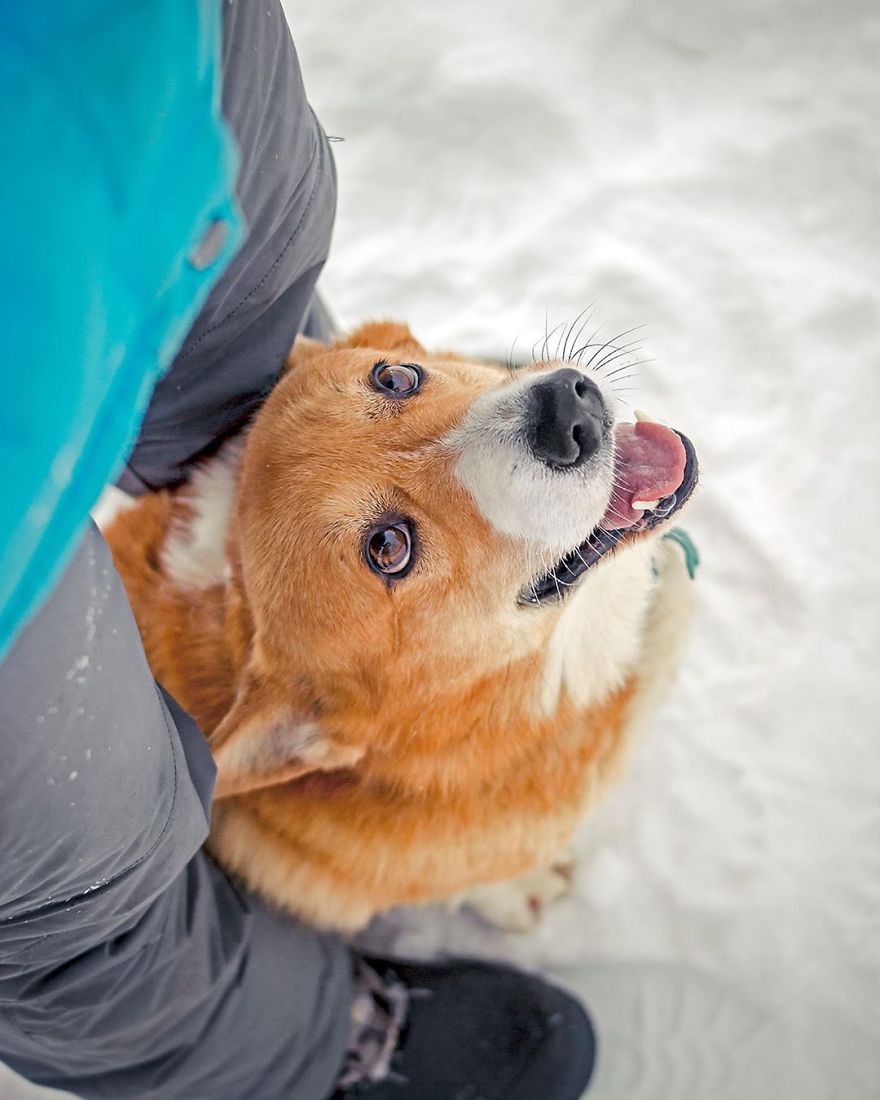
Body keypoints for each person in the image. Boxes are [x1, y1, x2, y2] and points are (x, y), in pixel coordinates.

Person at [0, 4, 596, 1098]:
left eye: (403, 375)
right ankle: (311, 1037)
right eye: (388, 541)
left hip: (142, 74)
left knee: (268, 367)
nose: (550, 399)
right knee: (77, 879)